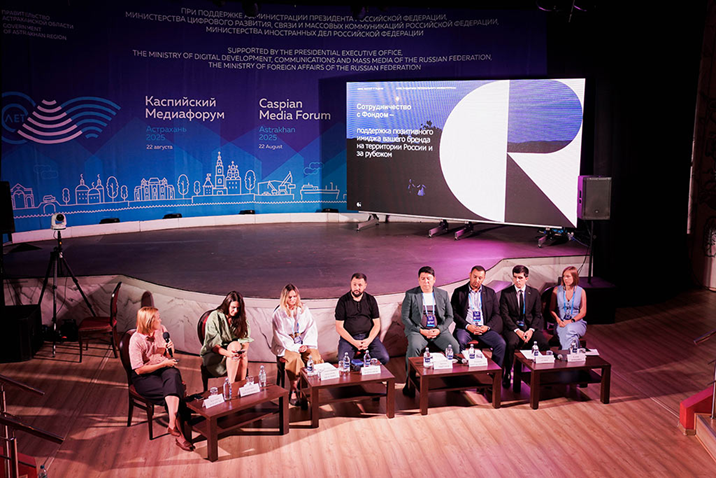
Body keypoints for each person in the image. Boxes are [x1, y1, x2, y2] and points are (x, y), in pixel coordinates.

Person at [128, 307, 194, 451]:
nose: (160, 320)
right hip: (144, 376)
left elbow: (168, 355)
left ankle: (172, 424)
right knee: (173, 391)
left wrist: (170, 348)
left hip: (163, 367)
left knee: (174, 375)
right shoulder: (136, 340)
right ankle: (181, 437)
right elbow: (139, 370)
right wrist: (163, 364)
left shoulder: (162, 330)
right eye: (157, 318)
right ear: (149, 321)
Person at [401, 266, 460, 394]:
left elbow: (450, 316)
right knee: (413, 347)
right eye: (423, 279)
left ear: (434, 280)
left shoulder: (443, 294)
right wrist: (420, 330)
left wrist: (439, 329)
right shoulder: (411, 294)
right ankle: (409, 383)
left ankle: (452, 380)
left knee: (454, 346)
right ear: (418, 280)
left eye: (428, 278)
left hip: (438, 331)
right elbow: (405, 318)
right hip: (418, 331)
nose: (426, 281)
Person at [271, 284, 323, 405]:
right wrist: (296, 347)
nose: (293, 300)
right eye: (290, 297)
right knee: (295, 359)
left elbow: (311, 327)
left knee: (315, 357)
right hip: (285, 345)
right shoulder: (278, 313)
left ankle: (306, 386)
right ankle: (294, 390)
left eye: (295, 296)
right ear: (285, 298)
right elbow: (280, 336)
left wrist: (306, 344)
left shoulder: (303, 309)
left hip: (303, 342)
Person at [499, 264, 549, 388]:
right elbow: (505, 315)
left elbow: (537, 314)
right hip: (512, 328)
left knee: (543, 343)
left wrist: (531, 330)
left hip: (529, 327)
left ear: (526, 278)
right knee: (511, 343)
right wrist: (517, 330)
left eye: (520, 278)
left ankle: (542, 374)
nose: (517, 280)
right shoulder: (506, 293)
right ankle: (507, 373)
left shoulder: (534, 293)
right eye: (515, 277)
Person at [450, 265, 506, 367]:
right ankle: (462, 373)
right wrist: (468, 326)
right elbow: (454, 313)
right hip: (465, 328)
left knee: (501, 344)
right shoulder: (459, 292)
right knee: (459, 341)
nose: (477, 280)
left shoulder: (490, 293)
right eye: (474, 277)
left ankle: (494, 372)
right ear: (470, 275)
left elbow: (496, 314)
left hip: (484, 329)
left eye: (480, 278)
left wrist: (487, 327)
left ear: (484, 278)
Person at [335, 273, 390, 365]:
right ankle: (356, 370)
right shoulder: (343, 301)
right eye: (354, 284)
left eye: (360, 285)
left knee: (384, 357)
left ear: (365, 285)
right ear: (351, 284)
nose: (357, 288)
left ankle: (368, 371)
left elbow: (377, 324)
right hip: (349, 338)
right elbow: (339, 327)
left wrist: (369, 340)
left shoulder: (371, 300)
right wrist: (354, 342)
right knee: (343, 362)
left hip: (368, 336)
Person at [200, 291, 253, 384]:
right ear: (227, 305)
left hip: (234, 352)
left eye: (238, 308)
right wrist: (229, 354)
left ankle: (237, 386)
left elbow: (245, 340)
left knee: (239, 352)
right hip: (216, 355)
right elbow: (213, 346)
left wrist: (244, 351)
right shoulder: (215, 316)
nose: (236, 311)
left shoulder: (240, 318)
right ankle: (234, 385)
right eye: (233, 307)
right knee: (235, 348)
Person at [549, 266, 587, 350]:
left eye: (568, 276)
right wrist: (558, 320)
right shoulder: (556, 290)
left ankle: (564, 353)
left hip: (577, 323)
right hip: (561, 323)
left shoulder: (581, 291)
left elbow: (583, 312)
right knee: (571, 335)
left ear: (574, 277)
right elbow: (551, 310)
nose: (565, 279)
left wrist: (571, 321)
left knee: (569, 329)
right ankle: (573, 353)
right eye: (563, 276)